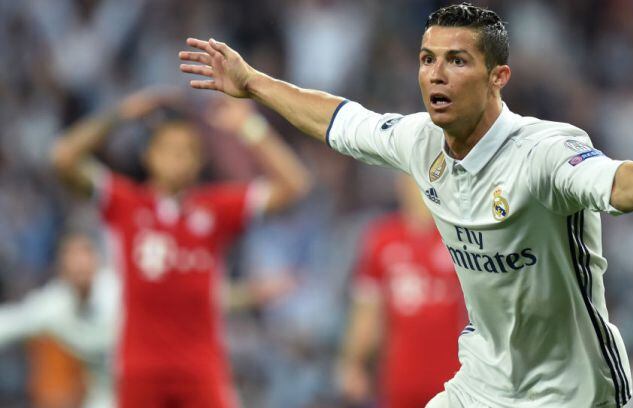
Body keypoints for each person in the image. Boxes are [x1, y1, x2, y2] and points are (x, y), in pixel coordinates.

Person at [178, 3, 633, 407]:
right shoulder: (420, 141)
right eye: (427, 59)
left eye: (456, 61)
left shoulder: (543, 149)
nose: (436, 74)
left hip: (569, 388)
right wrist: (252, 83)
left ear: (499, 78)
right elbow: (340, 120)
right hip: (484, 380)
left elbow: (608, 180)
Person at [50, 88, 311, 408]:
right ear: (149, 155)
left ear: (200, 160)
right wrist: (119, 115)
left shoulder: (214, 209)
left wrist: (249, 127)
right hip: (140, 366)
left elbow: (295, 184)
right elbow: (63, 156)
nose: (178, 159)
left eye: (187, 150)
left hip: (200, 366)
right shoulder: (124, 203)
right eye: (169, 149)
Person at [338, 174, 466, 408]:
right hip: (400, 381)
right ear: (400, 184)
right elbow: (367, 311)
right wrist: (352, 362)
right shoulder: (382, 239)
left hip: (456, 380)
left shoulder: (460, 238)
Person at [0, 231, 118, 408]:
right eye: (71, 256)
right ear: (61, 268)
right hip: (104, 394)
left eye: (84, 254)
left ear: (97, 260)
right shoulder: (56, 305)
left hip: (147, 386)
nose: (78, 264)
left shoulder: (120, 293)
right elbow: (11, 321)